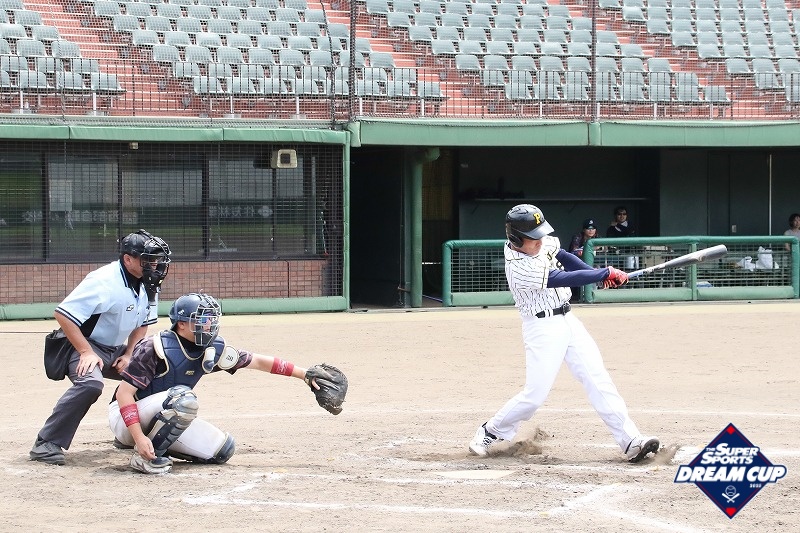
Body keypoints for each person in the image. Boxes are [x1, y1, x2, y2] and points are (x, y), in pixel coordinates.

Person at [468, 204, 659, 463]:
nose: (540, 240)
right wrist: (603, 273)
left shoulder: (541, 241)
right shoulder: (518, 266)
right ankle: (490, 431)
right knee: (534, 396)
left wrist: (595, 274)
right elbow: (560, 277)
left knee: (598, 380)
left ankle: (631, 441)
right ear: (516, 238)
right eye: (533, 237)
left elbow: (565, 257)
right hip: (542, 327)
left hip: (569, 319)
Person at [108, 292, 331, 474]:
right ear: (182, 324)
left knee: (222, 449)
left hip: (166, 413)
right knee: (183, 399)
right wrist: (138, 437)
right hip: (125, 418)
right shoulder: (154, 347)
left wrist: (305, 375)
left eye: (211, 320)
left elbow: (258, 361)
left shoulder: (212, 348)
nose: (209, 325)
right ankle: (144, 456)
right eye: (202, 320)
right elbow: (123, 394)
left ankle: (158, 445)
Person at [30, 230, 171, 466]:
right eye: (148, 259)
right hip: (79, 345)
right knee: (91, 384)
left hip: (114, 348)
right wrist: (86, 352)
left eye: (156, 259)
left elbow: (143, 324)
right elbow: (63, 314)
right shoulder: (103, 280)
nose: (154, 265)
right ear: (128, 259)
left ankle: (126, 432)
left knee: (156, 373)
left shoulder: (149, 282)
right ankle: (46, 442)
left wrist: (129, 354)